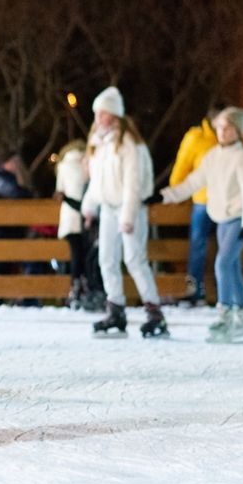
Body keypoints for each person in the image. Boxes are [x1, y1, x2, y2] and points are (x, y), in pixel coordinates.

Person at [150, 107, 243, 342]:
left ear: (238, 131)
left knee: (222, 264)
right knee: (231, 267)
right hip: (221, 218)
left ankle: (226, 316)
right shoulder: (213, 156)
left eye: (227, 128)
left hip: (239, 219)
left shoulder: (242, 158)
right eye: (219, 127)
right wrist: (164, 196)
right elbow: (192, 183)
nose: (222, 132)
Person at [80, 87, 168, 338]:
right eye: (96, 113)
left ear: (114, 116)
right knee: (106, 259)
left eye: (102, 113)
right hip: (108, 209)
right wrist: (90, 207)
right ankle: (116, 309)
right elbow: (98, 182)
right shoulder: (99, 144)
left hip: (130, 209)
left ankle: (154, 312)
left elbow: (133, 184)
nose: (97, 118)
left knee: (134, 259)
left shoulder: (130, 145)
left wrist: (128, 217)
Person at [168, 102, 226, 305]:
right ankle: (195, 289)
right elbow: (182, 166)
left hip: (227, 203)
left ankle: (224, 291)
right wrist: (176, 190)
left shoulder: (230, 138)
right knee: (198, 246)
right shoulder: (197, 138)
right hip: (203, 201)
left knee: (226, 248)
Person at [0, 151, 33, 275]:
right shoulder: (2, 178)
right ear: (5, 163)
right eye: (14, 162)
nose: (16, 166)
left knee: (3, 269)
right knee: (2, 269)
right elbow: (16, 194)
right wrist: (29, 194)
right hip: (1, 233)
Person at [53, 140, 90, 308]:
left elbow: (59, 190)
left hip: (69, 215)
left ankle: (75, 288)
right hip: (87, 213)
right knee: (87, 254)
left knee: (76, 254)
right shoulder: (88, 160)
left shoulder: (62, 165)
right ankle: (86, 287)